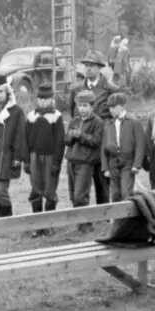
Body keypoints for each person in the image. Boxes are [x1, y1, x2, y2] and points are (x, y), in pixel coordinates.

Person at [68, 50, 113, 205]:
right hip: (81, 147)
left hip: (101, 144)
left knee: (103, 184)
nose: (88, 68)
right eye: (86, 65)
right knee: (79, 187)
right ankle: (83, 221)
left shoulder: (110, 89)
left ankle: (104, 218)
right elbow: (73, 115)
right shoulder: (76, 89)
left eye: (92, 65)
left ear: (100, 67)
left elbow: (114, 117)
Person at [0, 75, 26, 219]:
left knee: (2, 190)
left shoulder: (16, 111)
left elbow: (20, 135)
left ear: (7, 92)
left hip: (8, 156)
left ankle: (8, 218)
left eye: (1, 91)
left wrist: (18, 156)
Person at [24, 83, 65, 235]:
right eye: (40, 99)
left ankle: (48, 225)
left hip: (50, 157)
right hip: (35, 157)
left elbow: (60, 141)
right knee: (36, 188)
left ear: (51, 99)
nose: (42, 102)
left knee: (49, 189)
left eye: (46, 99)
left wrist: (57, 162)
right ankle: (37, 225)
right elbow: (26, 140)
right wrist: (27, 161)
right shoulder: (31, 116)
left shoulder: (56, 116)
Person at [64, 90, 104, 229]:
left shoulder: (98, 122)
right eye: (79, 106)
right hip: (71, 161)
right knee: (72, 194)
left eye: (85, 106)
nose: (81, 109)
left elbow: (96, 141)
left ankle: (86, 224)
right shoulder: (74, 120)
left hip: (86, 163)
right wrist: (70, 135)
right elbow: (67, 142)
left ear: (92, 106)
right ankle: (80, 223)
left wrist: (81, 135)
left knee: (81, 195)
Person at [100, 92, 146, 203]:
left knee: (126, 192)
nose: (111, 110)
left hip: (128, 162)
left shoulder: (134, 122)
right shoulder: (108, 125)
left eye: (113, 107)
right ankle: (117, 219)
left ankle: (127, 219)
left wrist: (137, 165)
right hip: (113, 162)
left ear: (121, 106)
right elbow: (103, 148)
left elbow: (140, 145)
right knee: (115, 194)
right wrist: (105, 167)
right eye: (109, 107)